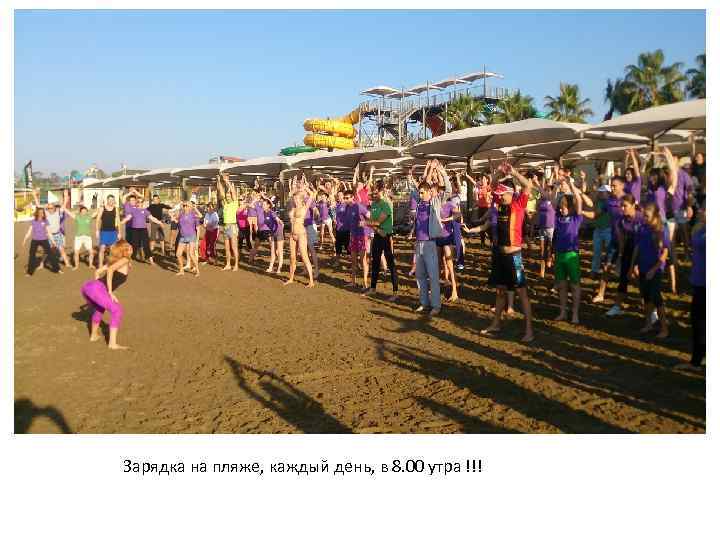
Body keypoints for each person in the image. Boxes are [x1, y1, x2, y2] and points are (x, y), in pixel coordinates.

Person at [482, 165, 534, 342]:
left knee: (522, 293)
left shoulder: (518, 204)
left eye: (503, 194)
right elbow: (493, 184)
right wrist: (499, 172)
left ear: (511, 193)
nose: (500, 196)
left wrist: (514, 173)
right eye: (500, 194)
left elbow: (528, 186)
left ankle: (529, 331)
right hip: (500, 255)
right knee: (500, 292)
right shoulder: (500, 204)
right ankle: (496, 323)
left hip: (514, 256)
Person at [552, 179, 594, 323]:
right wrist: (556, 187)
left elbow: (578, 200)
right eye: (561, 207)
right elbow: (553, 202)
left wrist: (571, 185)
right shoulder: (558, 217)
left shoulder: (576, 217)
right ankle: (563, 312)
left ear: (571, 208)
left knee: (575, 286)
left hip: (572, 255)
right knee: (562, 286)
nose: (561, 209)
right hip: (559, 254)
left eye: (564, 207)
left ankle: (575, 313)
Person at [80, 239, 132, 350]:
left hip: (88, 287)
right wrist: (109, 292)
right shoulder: (125, 260)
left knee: (100, 308)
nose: (131, 249)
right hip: (96, 288)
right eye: (128, 248)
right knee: (117, 310)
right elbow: (110, 270)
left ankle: (93, 336)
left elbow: (97, 272)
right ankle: (112, 344)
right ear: (123, 251)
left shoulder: (116, 261)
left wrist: (100, 289)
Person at [412, 160, 449, 316]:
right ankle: (424, 302)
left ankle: (436, 305)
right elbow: (421, 183)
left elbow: (447, 189)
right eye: (419, 193)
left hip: (430, 244)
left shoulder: (435, 202)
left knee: (433, 277)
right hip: (419, 244)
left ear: (429, 192)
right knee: (420, 276)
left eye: (422, 193)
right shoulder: (419, 204)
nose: (420, 195)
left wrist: (440, 170)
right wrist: (428, 168)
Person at [629, 201, 670, 338]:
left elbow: (665, 253)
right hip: (643, 268)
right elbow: (637, 248)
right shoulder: (642, 228)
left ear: (655, 216)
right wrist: (633, 265)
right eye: (644, 215)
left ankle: (664, 328)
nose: (644, 218)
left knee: (657, 298)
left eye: (647, 216)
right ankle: (648, 323)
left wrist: (654, 269)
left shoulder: (661, 230)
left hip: (655, 270)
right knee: (646, 298)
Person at [363, 180, 399, 301]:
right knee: (375, 262)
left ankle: (395, 292)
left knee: (391, 264)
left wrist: (366, 223)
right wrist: (374, 226)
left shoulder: (385, 204)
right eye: (373, 192)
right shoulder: (374, 204)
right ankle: (373, 288)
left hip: (386, 236)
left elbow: (378, 222)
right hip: (378, 235)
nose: (373, 194)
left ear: (381, 191)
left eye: (376, 192)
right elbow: (374, 223)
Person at [606, 194, 641, 317]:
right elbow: (621, 240)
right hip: (629, 249)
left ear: (633, 205)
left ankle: (652, 309)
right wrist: (620, 257)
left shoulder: (641, 218)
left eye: (625, 206)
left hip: (643, 249)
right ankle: (617, 306)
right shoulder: (621, 220)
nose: (621, 208)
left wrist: (635, 264)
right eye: (621, 205)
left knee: (641, 276)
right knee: (623, 278)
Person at [593, 175, 626, 304]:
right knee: (606, 267)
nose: (612, 188)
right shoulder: (609, 201)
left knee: (634, 271)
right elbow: (597, 214)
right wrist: (581, 211)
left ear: (622, 186)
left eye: (614, 186)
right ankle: (601, 294)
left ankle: (648, 299)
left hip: (628, 240)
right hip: (614, 240)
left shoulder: (628, 200)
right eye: (611, 185)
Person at [682, 203, 705, 369]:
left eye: (704, 209)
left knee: (700, 322)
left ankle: (697, 361)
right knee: (698, 322)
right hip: (698, 281)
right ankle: (697, 360)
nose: (701, 211)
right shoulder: (701, 227)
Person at [284, 180, 315, 287]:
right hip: (292, 234)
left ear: (301, 199)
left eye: (297, 199)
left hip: (301, 234)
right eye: (295, 199)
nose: (295, 200)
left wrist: (305, 187)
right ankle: (291, 278)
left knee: (304, 256)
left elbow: (312, 194)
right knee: (292, 258)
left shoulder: (304, 207)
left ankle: (311, 281)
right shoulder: (293, 208)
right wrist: (295, 188)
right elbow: (290, 194)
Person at [121, 190, 164, 265]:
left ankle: (150, 260)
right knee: (133, 245)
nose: (139, 203)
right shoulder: (133, 210)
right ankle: (129, 259)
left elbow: (152, 218)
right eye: (138, 202)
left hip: (143, 230)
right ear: (137, 203)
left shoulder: (145, 211)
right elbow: (127, 218)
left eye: (141, 202)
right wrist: (120, 223)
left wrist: (160, 222)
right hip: (134, 229)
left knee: (146, 245)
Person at [23, 207, 61, 275]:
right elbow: (29, 231)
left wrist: (53, 242)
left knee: (51, 254)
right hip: (35, 240)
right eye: (40, 212)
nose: (41, 214)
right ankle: (29, 272)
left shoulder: (45, 221)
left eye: (42, 212)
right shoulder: (33, 221)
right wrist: (25, 239)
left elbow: (49, 232)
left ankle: (57, 269)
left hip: (44, 239)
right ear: (37, 213)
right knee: (32, 255)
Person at [347, 189, 370, 289]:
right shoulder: (348, 208)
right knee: (353, 261)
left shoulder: (359, 206)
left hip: (361, 236)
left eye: (347, 198)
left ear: (353, 197)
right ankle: (353, 282)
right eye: (345, 198)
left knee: (363, 260)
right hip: (353, 236)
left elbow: (370, 217)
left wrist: (364, 223)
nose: (346, 200)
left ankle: (365, 283)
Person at [216, 174, 240, 271]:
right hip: (225, 227)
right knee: (226, 248)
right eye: (227, 196)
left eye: (229, 196)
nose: (228, 196)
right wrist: (218, 181)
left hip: (232, 227)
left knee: (234, 247)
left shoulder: (235, 203)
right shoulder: (225, 204)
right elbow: (221, 192)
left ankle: (236, 265)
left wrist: (227, 182)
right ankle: (228, 264)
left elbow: (233, 192)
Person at [173, 201, 202, 277]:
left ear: (190, 207)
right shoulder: (181, 214)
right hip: (182, 237)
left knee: (191, 254)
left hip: (191, 236)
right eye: (184, 206)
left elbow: (200, 217)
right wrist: (173, 218)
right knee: (178, 254)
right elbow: (177, 221)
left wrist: (195, 208)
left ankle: (197, 270)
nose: (185, 207)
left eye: (187, 206)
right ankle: (181, 270)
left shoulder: (193, 215)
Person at [95, 194, 122, 269]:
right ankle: (100, 265)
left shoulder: (116, 209)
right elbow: (97, 220)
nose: (111, 201)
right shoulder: (102, 208)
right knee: (102, 249)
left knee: (113, 250)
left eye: (112, 200)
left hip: (113, 231)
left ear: (114, 201)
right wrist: (97, 231)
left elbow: (118, 221)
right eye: (109, 200)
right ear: (107, 200)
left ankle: (111, 265)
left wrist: (119, 232)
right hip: (104, 231)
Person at [536, 182, 556, 279]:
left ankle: (552, 264)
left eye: (549, 190)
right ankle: (542, 272)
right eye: (546, 190)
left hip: (551, 228)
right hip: (542, 227)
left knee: (551, 249)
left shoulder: (553, 201)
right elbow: (537, 210)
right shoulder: (541, 201)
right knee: (542, 250)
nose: (547, 192)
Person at [68, 205, 95, 269]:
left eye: (85, 211)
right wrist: (64, 208)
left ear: (87, 212)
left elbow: (96, 212)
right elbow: (69, 213)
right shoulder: (77, 217)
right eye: (82, 211)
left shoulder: (89, 217)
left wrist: (102, 206)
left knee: (91, 252)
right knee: (76, 252)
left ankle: (90, 265)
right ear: (80, 212)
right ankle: (76, 266)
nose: (84, 212)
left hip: (87, 237)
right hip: (78, 237)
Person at [264, 199, 285, 274]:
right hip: (272, 233)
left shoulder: (271, 212)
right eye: (262, 204)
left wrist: (280, 222)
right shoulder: (264, 213)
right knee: (273, 251)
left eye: (264, 204)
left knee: (279, 251)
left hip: (279, 232)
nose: (263, 206)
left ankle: (279, 268)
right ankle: (270, 267)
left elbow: (277, 219)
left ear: (268, 205)